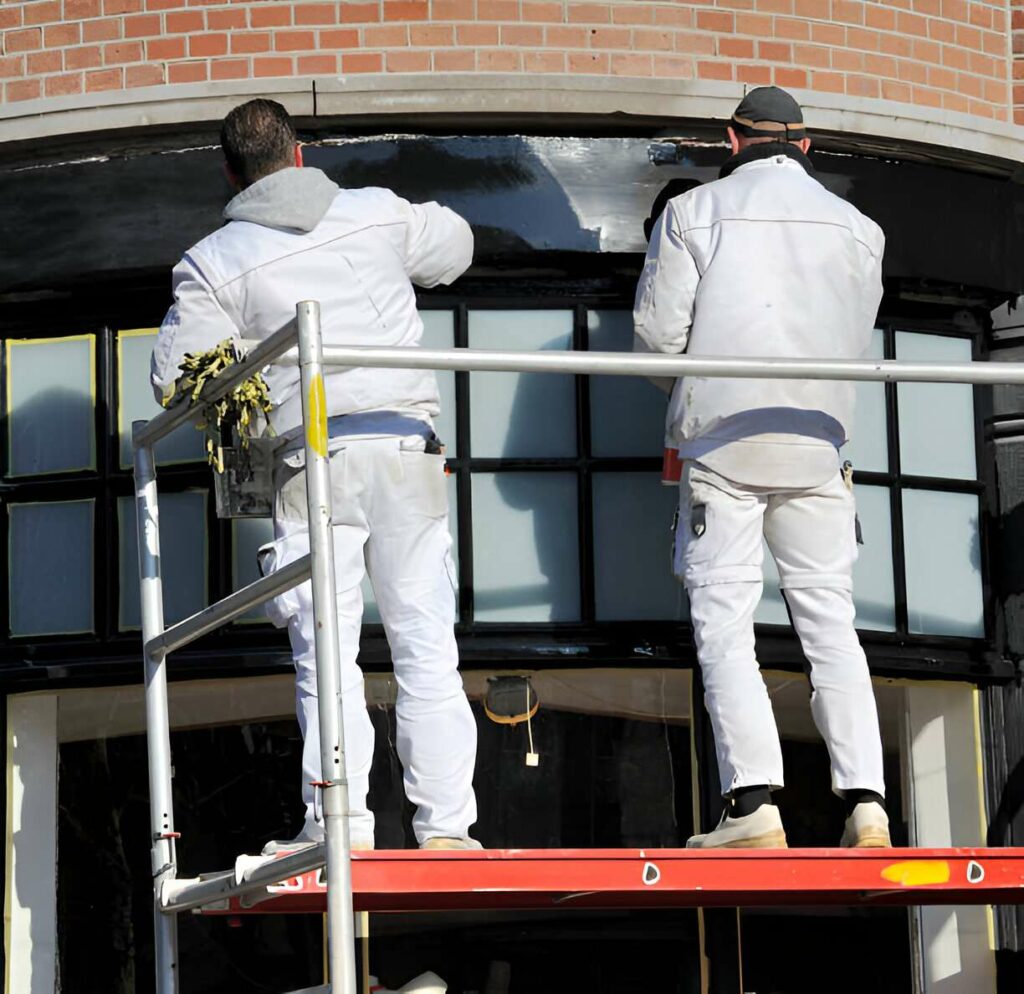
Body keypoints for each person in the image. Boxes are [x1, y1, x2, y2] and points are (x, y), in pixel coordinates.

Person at [151, 99, 480, 853]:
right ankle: (449, 831)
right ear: (299, 154)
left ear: (230, 173)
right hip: (405, 446)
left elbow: (173, 380)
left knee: (324, 652)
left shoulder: (214, 260)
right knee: (425, 643)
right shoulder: (377, 213)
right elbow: (457, 244)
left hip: (310, 461)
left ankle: (339, 826)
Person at [633, 86, 890, 849]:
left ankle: (752, 807)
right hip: (818, 443)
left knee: (725, 621)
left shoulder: (694, 213)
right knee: (830, 624)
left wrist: (686, 383)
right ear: (806, 147)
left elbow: (654, 340)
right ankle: (868, 805)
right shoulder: (860, 229)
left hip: (727, 437)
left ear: (731, 140)